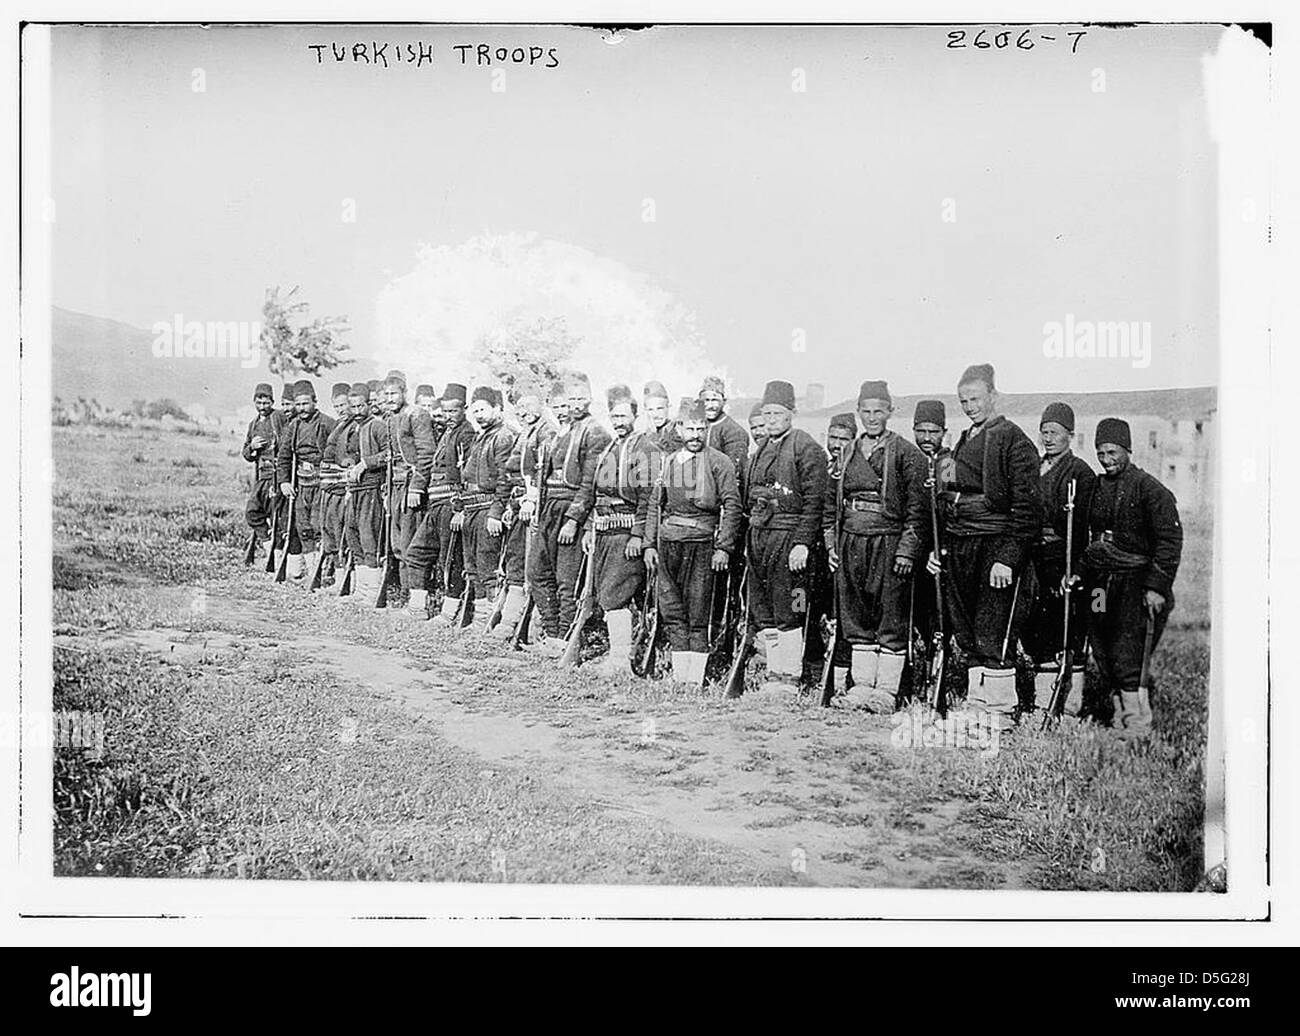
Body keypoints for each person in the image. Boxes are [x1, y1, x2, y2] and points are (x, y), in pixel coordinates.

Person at [936, 364, 1040, 728]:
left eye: (976, 399)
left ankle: (999, 710)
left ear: (993, 397)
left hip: (995, 546)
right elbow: (949, 496)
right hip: (962, 542)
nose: (970, 407)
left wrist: (1008, 558)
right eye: (964, 401)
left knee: (994, 627)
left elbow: (1027, 509)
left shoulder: (1013, 439)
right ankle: (976, 704)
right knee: (967, 627)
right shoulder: (964, 439)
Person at [823, 382, 927, 712]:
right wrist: (830, 544)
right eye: (865, 411)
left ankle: (886, 691)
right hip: (851, 539)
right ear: (858, 412)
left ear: (890, 412)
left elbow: (917, 509)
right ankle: (862, 687)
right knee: (856, 616)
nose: (872, 418)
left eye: (878, 411)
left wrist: (907, 550)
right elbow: (830, 504)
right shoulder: (847, 451)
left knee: (891, 615)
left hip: (888, 540)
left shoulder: (907, 453)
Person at [1083, 418, 1183, 739]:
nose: (1107, 459)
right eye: (1101, 453)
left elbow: (1169, 541)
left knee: (1128, 650)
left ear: (1127, 449)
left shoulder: (1150, 489)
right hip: (1100, 584)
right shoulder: (1096, 487)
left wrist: (1156, 587)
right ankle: (1118, 718)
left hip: (1134, 583)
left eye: (1112, 452)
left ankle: (1137, 724)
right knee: (1101, 645)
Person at [644, 398, 743, 686]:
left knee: (698, 612)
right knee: (672, 610)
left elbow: (732, 506)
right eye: (690, 429)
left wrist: (723, 547)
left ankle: (694, 679)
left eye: (701, 428)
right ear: (679, 429)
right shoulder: (669, 462)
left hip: (702, 544)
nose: (696, 435)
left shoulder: (719, 462)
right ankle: (680, 676)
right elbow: (655, 505)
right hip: (669, 543)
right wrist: (650, 544)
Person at [744, 380, 828, 693]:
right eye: (766, 413)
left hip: (789, 538)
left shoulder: (804, 446)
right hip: (761, 536)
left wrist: (802, 543)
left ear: (792, 412)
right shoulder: (762, 447)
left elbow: (814, 501)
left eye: (777, 412)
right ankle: (774, 675)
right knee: (764, 608)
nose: (770, 419)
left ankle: (790, 677)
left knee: (790, 607)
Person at [528, 372, 613, 654]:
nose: (575, 404)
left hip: (571, 510)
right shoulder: (562, 431)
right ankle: (552, 634)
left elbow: (590, 482)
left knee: (567, 580)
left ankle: (565, 639)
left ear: (590, 398)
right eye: (570, 399)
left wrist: (574, 520)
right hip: (549, 509)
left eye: (580, 398)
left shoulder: (595, 431)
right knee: (538, 573)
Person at [1024, 402, 1097, 715]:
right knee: (1037, 630)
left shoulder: (1080, 473)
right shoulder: (1034, 469)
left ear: (1071, 435)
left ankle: (1069, 706)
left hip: (1065, 561)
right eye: (1044, 432)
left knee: (1067, 632)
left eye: (1055, 432)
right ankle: (1043, 703)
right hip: (1035, 559)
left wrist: (1077, 569)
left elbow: (1085, 529)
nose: (1048, 438)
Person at [581, 386, 655, 675]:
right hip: (604, 530)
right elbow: (594, 493)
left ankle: (621, 661)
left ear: (635, 416)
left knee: (616, 594)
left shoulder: (645, 447)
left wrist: (638, 534)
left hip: (626, 533)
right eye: (614, 416)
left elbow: (649, 496)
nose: (619, 421)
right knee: (606, 595)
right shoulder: (609, 449)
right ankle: (616, 656)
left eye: (624, 415)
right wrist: (589, 528)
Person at [404, 383, 474, 621]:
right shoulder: (446, 433)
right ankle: (417, 608)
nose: (448, 416)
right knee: (417, 553)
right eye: (444, 412)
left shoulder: (466, 434)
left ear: (464, 409)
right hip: (435, 504)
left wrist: (459, 508)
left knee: (450, 560)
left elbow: (467, 475)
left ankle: (449, 613)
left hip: (450, 504)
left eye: (453, 411)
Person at [456, 386, 517, 630]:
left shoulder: (503, 436)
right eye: (475, 410)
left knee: (487, 565)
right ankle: (479, 616)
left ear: (498, 409)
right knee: (472, 566)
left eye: (483, 409)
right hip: (472, 508)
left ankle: (488, 619)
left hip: (487, 508)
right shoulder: (481, 436)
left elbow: (505, 478)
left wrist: (496, 512)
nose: (478, 415)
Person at [502, 394, 560, 641]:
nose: (523, 411)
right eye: (519, 408)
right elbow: (512, 471)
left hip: (538, 508)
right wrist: (511, 504)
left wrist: (532, 499)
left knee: (535, 569)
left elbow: (543, 470)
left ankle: (539, 628)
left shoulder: (548, 432)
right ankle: (510, 621)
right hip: (520, 507)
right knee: (516, 563)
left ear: (541, 405)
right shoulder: (525, 433)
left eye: (529, 406)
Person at [274, 380, 337, 580]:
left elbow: (337, 452)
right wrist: (284, 482)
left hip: (323, 482)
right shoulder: (293, 426)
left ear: (315, 402)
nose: (301, 408)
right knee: (303, 527)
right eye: (298, 404)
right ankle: (312, 571)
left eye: (305, 403)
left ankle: (325, 569)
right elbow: (284, 456)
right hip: (301, 483)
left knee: (319, 526)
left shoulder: (328, 423)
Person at [342, 382, 387, 601]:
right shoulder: (352, 428)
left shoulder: (377, 426)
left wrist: (366, 464)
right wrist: (350, 462)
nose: (358, 411)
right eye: (353, 407)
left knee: (369, 538)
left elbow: (390, 454)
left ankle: (372, 593)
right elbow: (349, 453)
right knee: (353, 535)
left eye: (361, 406)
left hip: (372, 490)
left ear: (369, 404)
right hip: (355, 489)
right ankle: (360, 590)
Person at [317, 384, 357, 586]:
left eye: (344, 405)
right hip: (329, 487)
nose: (341, 409)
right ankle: (333, 575)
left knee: (340, 532)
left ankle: (344, 580)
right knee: (329, 530)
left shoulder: (354, 428)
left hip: (342, 488)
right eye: (337, 406)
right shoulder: (338, 426)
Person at [241, 382, 284, 562]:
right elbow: (245, 453)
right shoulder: (253, 424)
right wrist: (252, 447)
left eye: (266, 403)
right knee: (252, 512)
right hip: (262, 476)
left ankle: (280, 555)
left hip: (278, 474)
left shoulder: (279, 418)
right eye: (259, 403)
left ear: (272, 402)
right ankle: (268, 545)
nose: (262, 407)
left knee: (278, 517)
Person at [642, 380, 682, 453]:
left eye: (660, 408)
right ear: (645, 411)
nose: (655, 414)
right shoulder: (643, 435)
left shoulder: (677, 433)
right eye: (651, 410)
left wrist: (653, 437)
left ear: (668, 407)